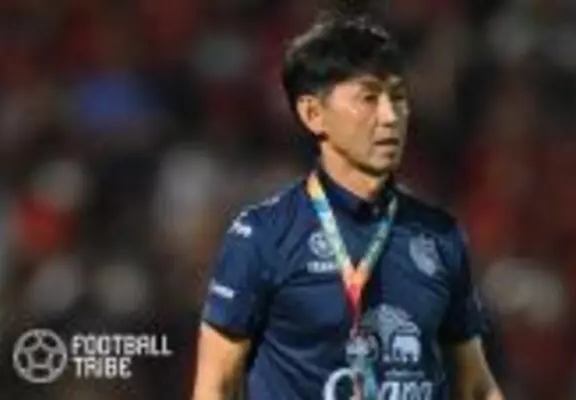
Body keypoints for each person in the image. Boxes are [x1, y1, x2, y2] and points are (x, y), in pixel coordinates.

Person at [192, 6, 504, 400]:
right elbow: (216, 385)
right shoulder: (262, 236)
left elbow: (475, 384)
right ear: (313, 113)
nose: (390, 116)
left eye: (398, 97)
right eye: (369, 97)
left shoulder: (440, 235)